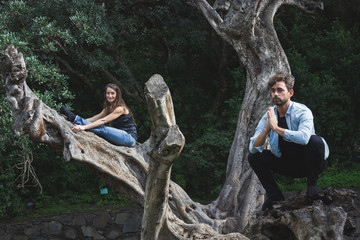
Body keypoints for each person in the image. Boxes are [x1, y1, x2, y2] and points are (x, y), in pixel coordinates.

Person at [248, 73, 329, 210]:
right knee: (254, 156)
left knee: (315, 141)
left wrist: (276, 128)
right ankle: (274, 195)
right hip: (288, 163)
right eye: (273, 91)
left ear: (290, 93)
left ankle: (312, 187)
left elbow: (304, 138)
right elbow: (253, 147)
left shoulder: (302, 111)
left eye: (280, 90)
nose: (275, 94)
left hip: (310, 162)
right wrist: (268, 128)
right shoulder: (269, 115)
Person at [60, 83, 138, 147]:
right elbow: (95, 118)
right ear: (105, 94)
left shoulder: (120, 108)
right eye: (108, 93)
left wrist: (83, 127)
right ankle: (75, 119)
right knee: (99, 130)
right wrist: (81, 122)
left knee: (103, 129)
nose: (110, 96)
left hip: (129, 138)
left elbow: (103, 121)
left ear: (117, 95)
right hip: (118, 136)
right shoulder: (108, 108)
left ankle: (74, 118)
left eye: (112, 93)